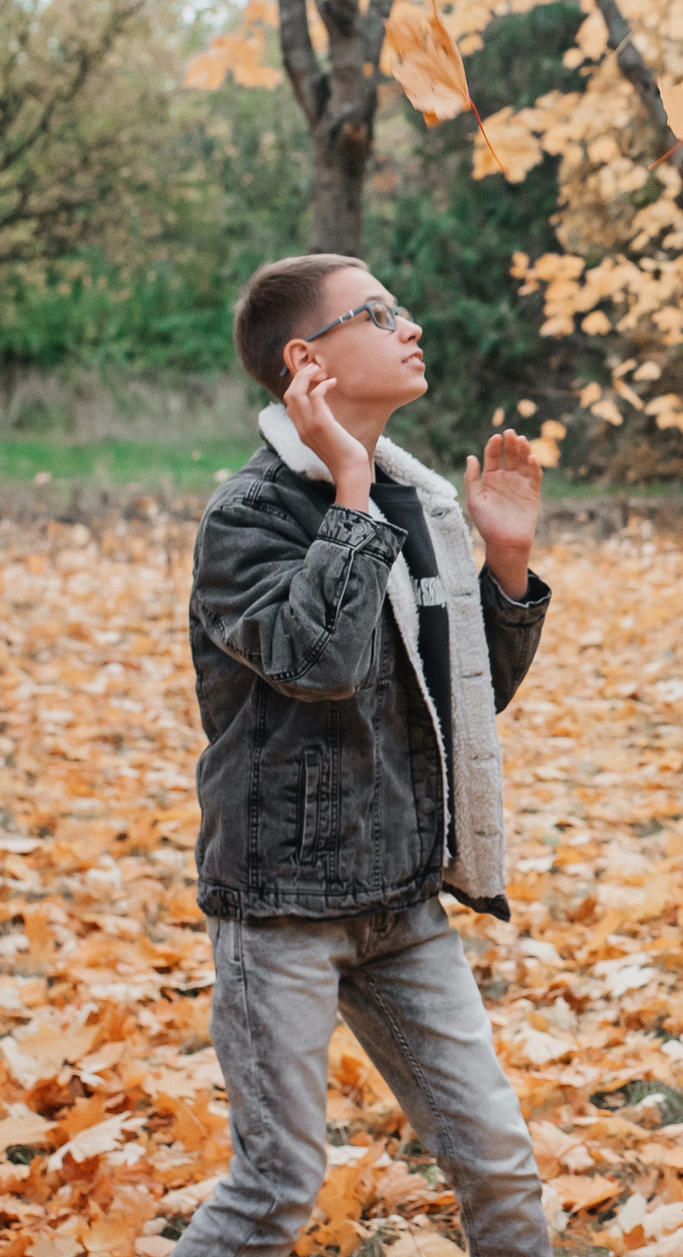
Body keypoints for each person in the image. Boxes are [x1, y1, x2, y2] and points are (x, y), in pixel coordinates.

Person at [175, 252, 554, 1257]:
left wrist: (503, 565)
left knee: (504, 1168)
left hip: (401, 901)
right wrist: (348, 487)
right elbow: (319, 659)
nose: (410, 323)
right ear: (307, 358)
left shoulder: (421, 505)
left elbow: (458, 704)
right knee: (275, 1184)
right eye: (379, 312)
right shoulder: (248, 513)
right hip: (282, 910)